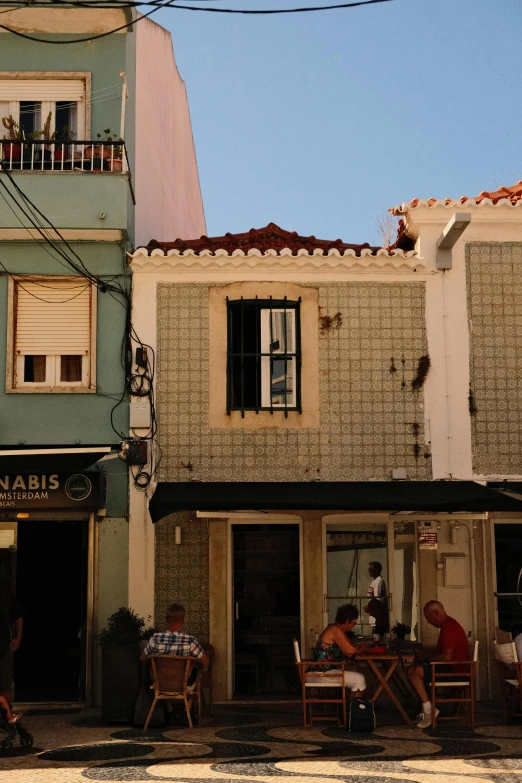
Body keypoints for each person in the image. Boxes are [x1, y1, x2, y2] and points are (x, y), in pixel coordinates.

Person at [407, 600, 469, 729]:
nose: (429, 622)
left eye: (429, 618)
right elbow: (442, 651)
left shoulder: (449, 628)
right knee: (413, 669)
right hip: (454, 669)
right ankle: (426, 706)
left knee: (413, 672)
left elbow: (446, 657)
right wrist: (424, 652)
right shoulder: (449, 625)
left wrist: (427, 657)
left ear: (435, 613)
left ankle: (428, 710)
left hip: (455, 672)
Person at [140, 602, 209, 688]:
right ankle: (188, 701)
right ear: (183, 620)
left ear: (166, 619)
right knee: (195, 672)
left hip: (160, 684)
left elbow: (142, 658)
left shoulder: (155, 638)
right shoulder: (190, 641)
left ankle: (163, 700)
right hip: (183, 685)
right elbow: (205, 661)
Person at [311, 604, 369, 697]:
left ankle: (354, 708)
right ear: (347, 621)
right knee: (359, 679)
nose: (354, 625)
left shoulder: (336, 629)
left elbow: (347, 649)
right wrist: (362, 648)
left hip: (324, 670)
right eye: (354, 622)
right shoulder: (335, 630)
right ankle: (355, 710)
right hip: (321, 673)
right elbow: (350, 651)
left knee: (357, 675)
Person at [364, 562, 387, 634]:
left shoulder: (378, 582)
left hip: (377, 616)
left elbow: (378, 599)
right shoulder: (375, 581)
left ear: (376, 570)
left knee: (376, 635)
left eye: (371, 569)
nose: (369, 570)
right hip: (374, 614)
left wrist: (369, 607)